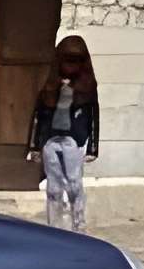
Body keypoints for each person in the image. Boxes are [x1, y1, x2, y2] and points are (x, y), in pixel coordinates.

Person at [28, 35, 99, 229]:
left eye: (75, 61)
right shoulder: (50, 84)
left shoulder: (87, 85)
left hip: (73, 140)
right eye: (67, 60)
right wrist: (34, 145)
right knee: (53, 186)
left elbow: (94, 116)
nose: (70, 65)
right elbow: (38, 115)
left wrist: (93, 147)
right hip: (51, 139)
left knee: (74, 183)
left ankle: (79, 225)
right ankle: (55, 227)